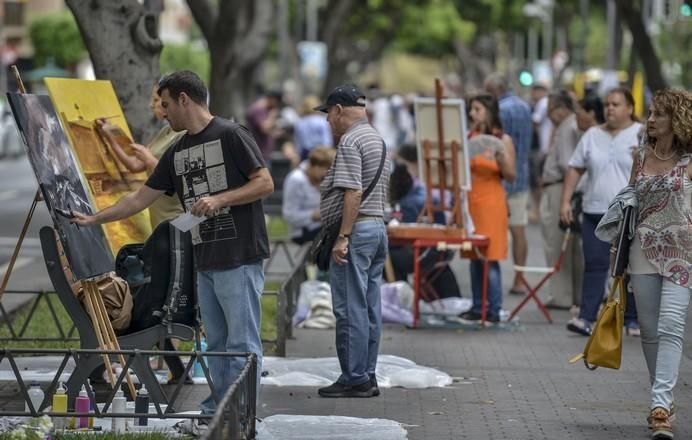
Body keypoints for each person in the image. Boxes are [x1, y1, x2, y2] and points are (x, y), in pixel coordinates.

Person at [70, 71, 274, 414]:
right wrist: (92, 219)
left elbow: (265, 183)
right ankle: (219, 408)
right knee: (218, 343)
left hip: (239, 255)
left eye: (165, 104)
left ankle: (242, 413)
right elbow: (138, 199)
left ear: (184, 99)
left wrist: (221, 199)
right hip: (204, 257)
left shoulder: (231, 134)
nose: (162, 112)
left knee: (241, 341)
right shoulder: (177, 151)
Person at [625, 88, 692, 440]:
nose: (651, 119)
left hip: (682, 252)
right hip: (642, 251)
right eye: (650, 113)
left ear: (676, 119)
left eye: (658, 114)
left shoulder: (690, 159)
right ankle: (661, 399)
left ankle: (660, 407)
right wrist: (615, 258)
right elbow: (627, 206)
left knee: (670, 324)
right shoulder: (640, 156)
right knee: (649, 331)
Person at [314, 84, 389, 398]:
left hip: (356, 232)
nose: (328, 121)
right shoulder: (376, 138)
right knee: (370, 306)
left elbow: (353, 191)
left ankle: (354, 377)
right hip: (376, 229)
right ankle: (367, 373)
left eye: (329, 114)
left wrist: (342, 236)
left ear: (338, 110)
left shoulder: (350, 141)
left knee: (349, 307)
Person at [560, 87, 642, 336]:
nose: (610, 109)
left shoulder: (640, 134)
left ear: (629, 108)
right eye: (607, 104)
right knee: (595, 265)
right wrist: (565, 201)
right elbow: (575, 168)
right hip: (595, 211)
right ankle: (586, 318)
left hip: (629, 214)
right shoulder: (593, 135)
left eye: (616, 104)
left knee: (630, 267)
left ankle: (632, 319)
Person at [458, 94, 516, 324]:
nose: (473, 114)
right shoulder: (468, 137)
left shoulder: (503, 139)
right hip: (471, 201)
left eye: (478, 109)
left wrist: (500, 155)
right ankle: (476, 305)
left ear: (489, 112)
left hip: (491, 201)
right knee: (474, 256)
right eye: (471, 109)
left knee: (489, 257)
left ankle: (494, 307)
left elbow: (511, 176)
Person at [98, 84, 185, 229]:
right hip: (158, 220)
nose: (152, 105)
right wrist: (110, 138)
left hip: (175, 219)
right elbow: (135, 165)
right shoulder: (165, 131)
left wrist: (149, 159)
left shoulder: (184, 135)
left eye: (156, 100)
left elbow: (175, 178)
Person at [388, 144, 462, 299]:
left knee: (384, 254)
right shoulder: (429, 190)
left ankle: (397, 296)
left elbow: (404, 230)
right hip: (438, 249)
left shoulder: (414, 197)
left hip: (424, 250)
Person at [484, 73, 532, 296]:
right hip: (521, 176)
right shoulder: (524, 107)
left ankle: (489, 281)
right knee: (519, 230)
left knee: (492, 230)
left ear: (494, 90)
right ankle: (519, 279)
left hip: (499, 177)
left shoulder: (499, 111)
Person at [539, 90, 584, 309]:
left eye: (551, 110)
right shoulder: (567, 126)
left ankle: (561, 296)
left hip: (558, 188)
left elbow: (568, 164)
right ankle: (571, 295)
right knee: (567, 245)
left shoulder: (567, 127)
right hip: (560, 187)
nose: (548, 115)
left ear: (562, 108)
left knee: (557, 243)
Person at [282, 147, 336, 244]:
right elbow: (289, 215)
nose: (328, 173)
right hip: (302, 231)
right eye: (326, 169)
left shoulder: (322, 179)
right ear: (316, 166)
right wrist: (315, 215)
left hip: (323, 227)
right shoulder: (296, 179)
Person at [293, 95, 333, 161]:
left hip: (305, 153)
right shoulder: (322, 121)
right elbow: (327, 141)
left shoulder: (300, 122)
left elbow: (298, 144)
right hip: (321, 153)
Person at [246, 90, 282, 162]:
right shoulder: (259, 109)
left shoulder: (266, 109)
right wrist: (272, 116)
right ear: (273, 99)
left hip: (263, 154)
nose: (277, 105)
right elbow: (264, 128)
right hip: (258, 155)